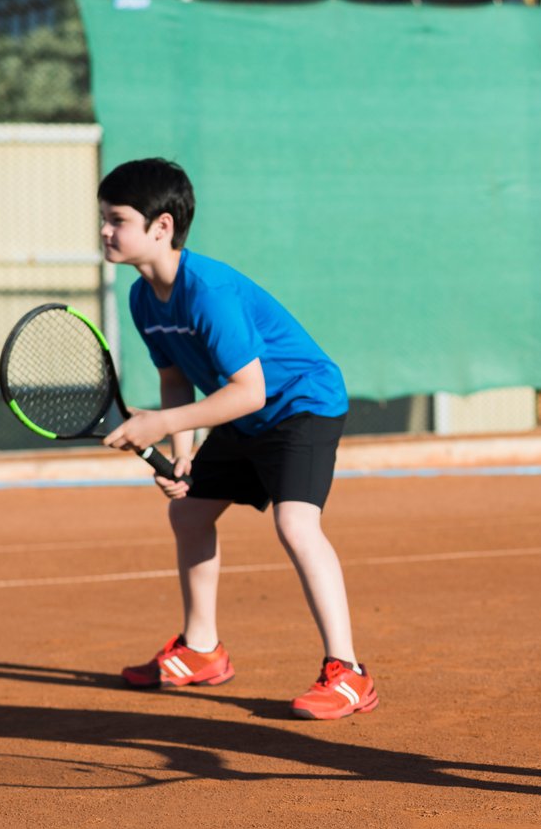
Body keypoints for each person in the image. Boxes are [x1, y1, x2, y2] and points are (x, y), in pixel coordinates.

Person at [96, 157, 376, 721]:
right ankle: (202, 651)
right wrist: (180, 457)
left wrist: (162, 425)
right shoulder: (142, 298)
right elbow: (175, 378)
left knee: (296, 524)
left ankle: (349, 673)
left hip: (302, 403)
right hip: (247, 415)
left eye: (117, 220)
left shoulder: (209, 292)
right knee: (190, 514)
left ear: (162, 227)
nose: (105, 231)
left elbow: (250, 390)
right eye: (102, 218)